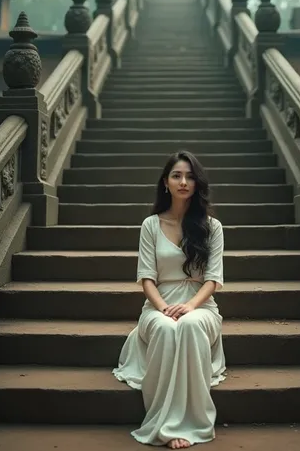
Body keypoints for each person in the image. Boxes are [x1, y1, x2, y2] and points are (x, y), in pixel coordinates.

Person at [113, 150, 226, 448]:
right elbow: (146, 278)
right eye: (177, 175)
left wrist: (189, 307)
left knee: (189, 326)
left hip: (201, 305)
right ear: (166, 182)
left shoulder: (212, 227)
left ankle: (191, 423)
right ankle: (162, 421)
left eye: (190, 176)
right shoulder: (151, 225)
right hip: (158, 304)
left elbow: (213, 280)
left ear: (197, 183)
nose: (184, 181)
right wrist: (163, 308)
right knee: (165, 329)